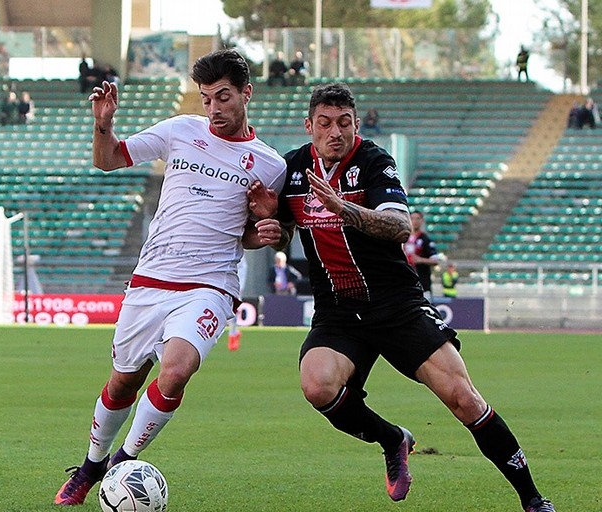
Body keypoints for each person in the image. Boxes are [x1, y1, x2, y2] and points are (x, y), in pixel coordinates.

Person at [276, 82, 555, 512]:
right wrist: (265, 228)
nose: (336, 132)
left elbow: (399, 227)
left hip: (396, 305)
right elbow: (272, 231)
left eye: (345, 123)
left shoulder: (373, 161)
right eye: (326, 123)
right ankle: (393, 438)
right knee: (317, 385)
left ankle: (533, 500)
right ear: (309, 125)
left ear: (355, 123)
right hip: (338, 311)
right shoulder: (291, 170)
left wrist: (345, 208)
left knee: (465, 400)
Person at [54, 48, 287, 506]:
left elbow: (257, 235)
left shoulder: (271, 165)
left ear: (246, 93)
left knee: (176, 370)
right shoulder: (181, 130)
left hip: (210, 285)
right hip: (152, 278)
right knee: (124, 381)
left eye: (223, 97)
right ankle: (91, 464)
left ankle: (122, 463)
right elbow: (108, 159)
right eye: (206, 99)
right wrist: (103, 124)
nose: (214, 108)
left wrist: (266, 227)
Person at [404, 210, 439, 301]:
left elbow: (435, 260)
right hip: (404, 284)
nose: (415, 221)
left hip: (423, 285)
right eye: (412, 218)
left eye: (418, 218)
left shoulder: (425, 239)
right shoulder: (402, 238)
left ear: (422, 221)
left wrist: (420, 260)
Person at [227, 255, 248, 351]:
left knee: (233, 307)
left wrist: (241, 285)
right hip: (226, 278)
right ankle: (234, 332)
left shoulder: (240, 255)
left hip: (236, 280)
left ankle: (232, 335)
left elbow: (243, 268)